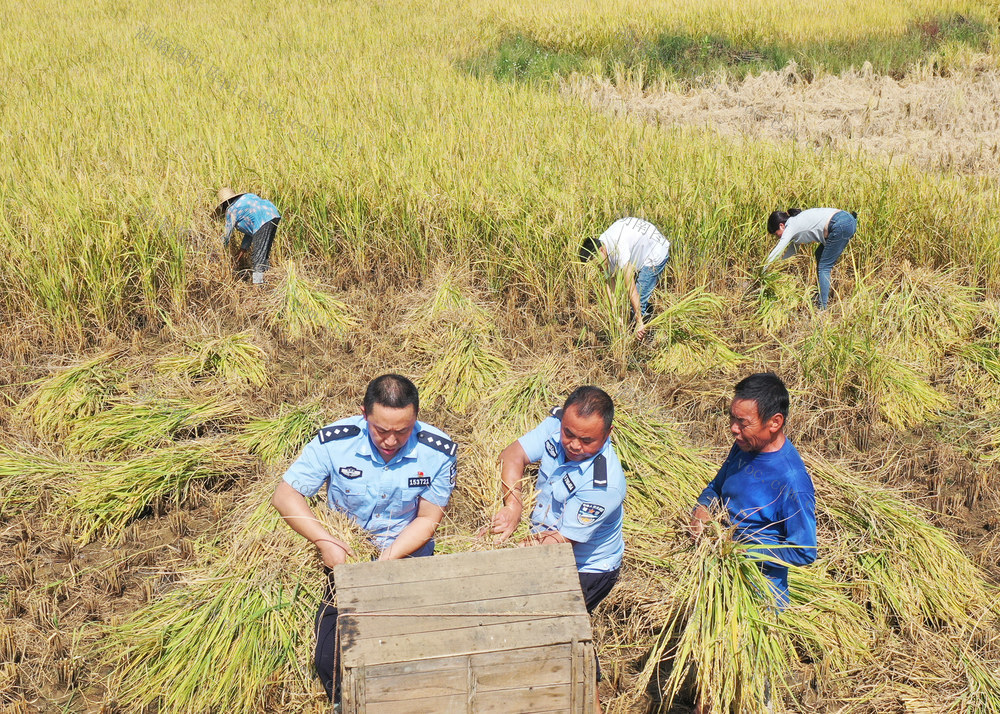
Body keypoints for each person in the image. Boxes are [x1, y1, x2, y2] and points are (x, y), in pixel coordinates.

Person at [272, 374, 458, 703]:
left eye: (402, 431)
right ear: (364, 414)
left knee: (410, 647)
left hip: (405, 554)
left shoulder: (437, 451)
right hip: (346, 557)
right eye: (381, 430)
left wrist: (388, 560)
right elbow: (286, 495)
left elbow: (428, 519)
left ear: (415, 417)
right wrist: (324, 541)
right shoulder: (335, 442)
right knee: (332, 657)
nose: (390, 440)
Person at [487, 385, 626, 695]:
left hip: (585, 566)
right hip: (544, 542)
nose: (573, 444)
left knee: (557, 629)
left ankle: (582, 697)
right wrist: (513, 506)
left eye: (586, 440)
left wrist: (499, 552)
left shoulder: (604, 485)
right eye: (569, 433)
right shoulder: (555, 426)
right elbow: (512, 455)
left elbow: (558, 544)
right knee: (555, 631)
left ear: (608, 434)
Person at [688, 372, 816, 609]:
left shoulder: (791, 482)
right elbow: (717, 486)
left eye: (743, 422)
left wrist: (742, 551)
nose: (733, 429)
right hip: (717, 571)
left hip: (757, 596)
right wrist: (703, 507)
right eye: (732, 418)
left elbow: (804, 551)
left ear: (774, 422)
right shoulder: (744, 445)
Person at [579, 217, 671, 339]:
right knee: (635, 304)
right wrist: (617, 316)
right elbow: (609, 285)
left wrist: (638, 322)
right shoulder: (601, 249)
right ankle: (646, 318)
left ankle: (645, 336)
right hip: (639, 248)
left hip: (655, 250)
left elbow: (631, 290)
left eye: (598, 265)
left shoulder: (618, 248)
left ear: (601, 250)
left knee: (639, 300)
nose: (599, 269)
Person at [764, 208, 858, 309]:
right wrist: (777, 266)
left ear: (781, 225)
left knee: (824, 267)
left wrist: (763, 269)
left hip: (841, 224)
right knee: (819, 254)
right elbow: (793, 251)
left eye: (775, 234)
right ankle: (821, 295)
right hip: (845, 220)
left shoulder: (791, 226)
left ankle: (822, 307)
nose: (777, 237)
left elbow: (779, 249)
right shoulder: (795, 224)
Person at [214, 187, 282, 285]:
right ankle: (267, 281)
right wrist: (242, 251)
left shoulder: (231, 210)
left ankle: (258, 286)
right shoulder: (247, 198)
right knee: (264, 253)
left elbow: (226, 237)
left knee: (257, 257)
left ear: (224, 204)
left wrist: (219, 252)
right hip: (273, 214)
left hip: (263, 220)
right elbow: (251, 232)